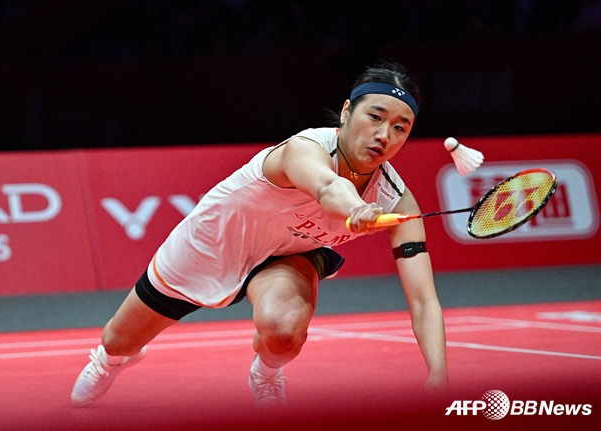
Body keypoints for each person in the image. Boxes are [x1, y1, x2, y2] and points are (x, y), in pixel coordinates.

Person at [70, 60, 449, 407]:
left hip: (288, 253)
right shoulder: (305, 148)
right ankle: (109, 361)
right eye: (375, 117)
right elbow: (327, 187)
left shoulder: (396, 200)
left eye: (400, 128)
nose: (383, 135)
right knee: (118, 339)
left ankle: (266, 374)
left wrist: (439, 375)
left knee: (285, 330)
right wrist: (354, 209)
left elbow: (422, 300)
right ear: (347, 111)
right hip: (212, 242)